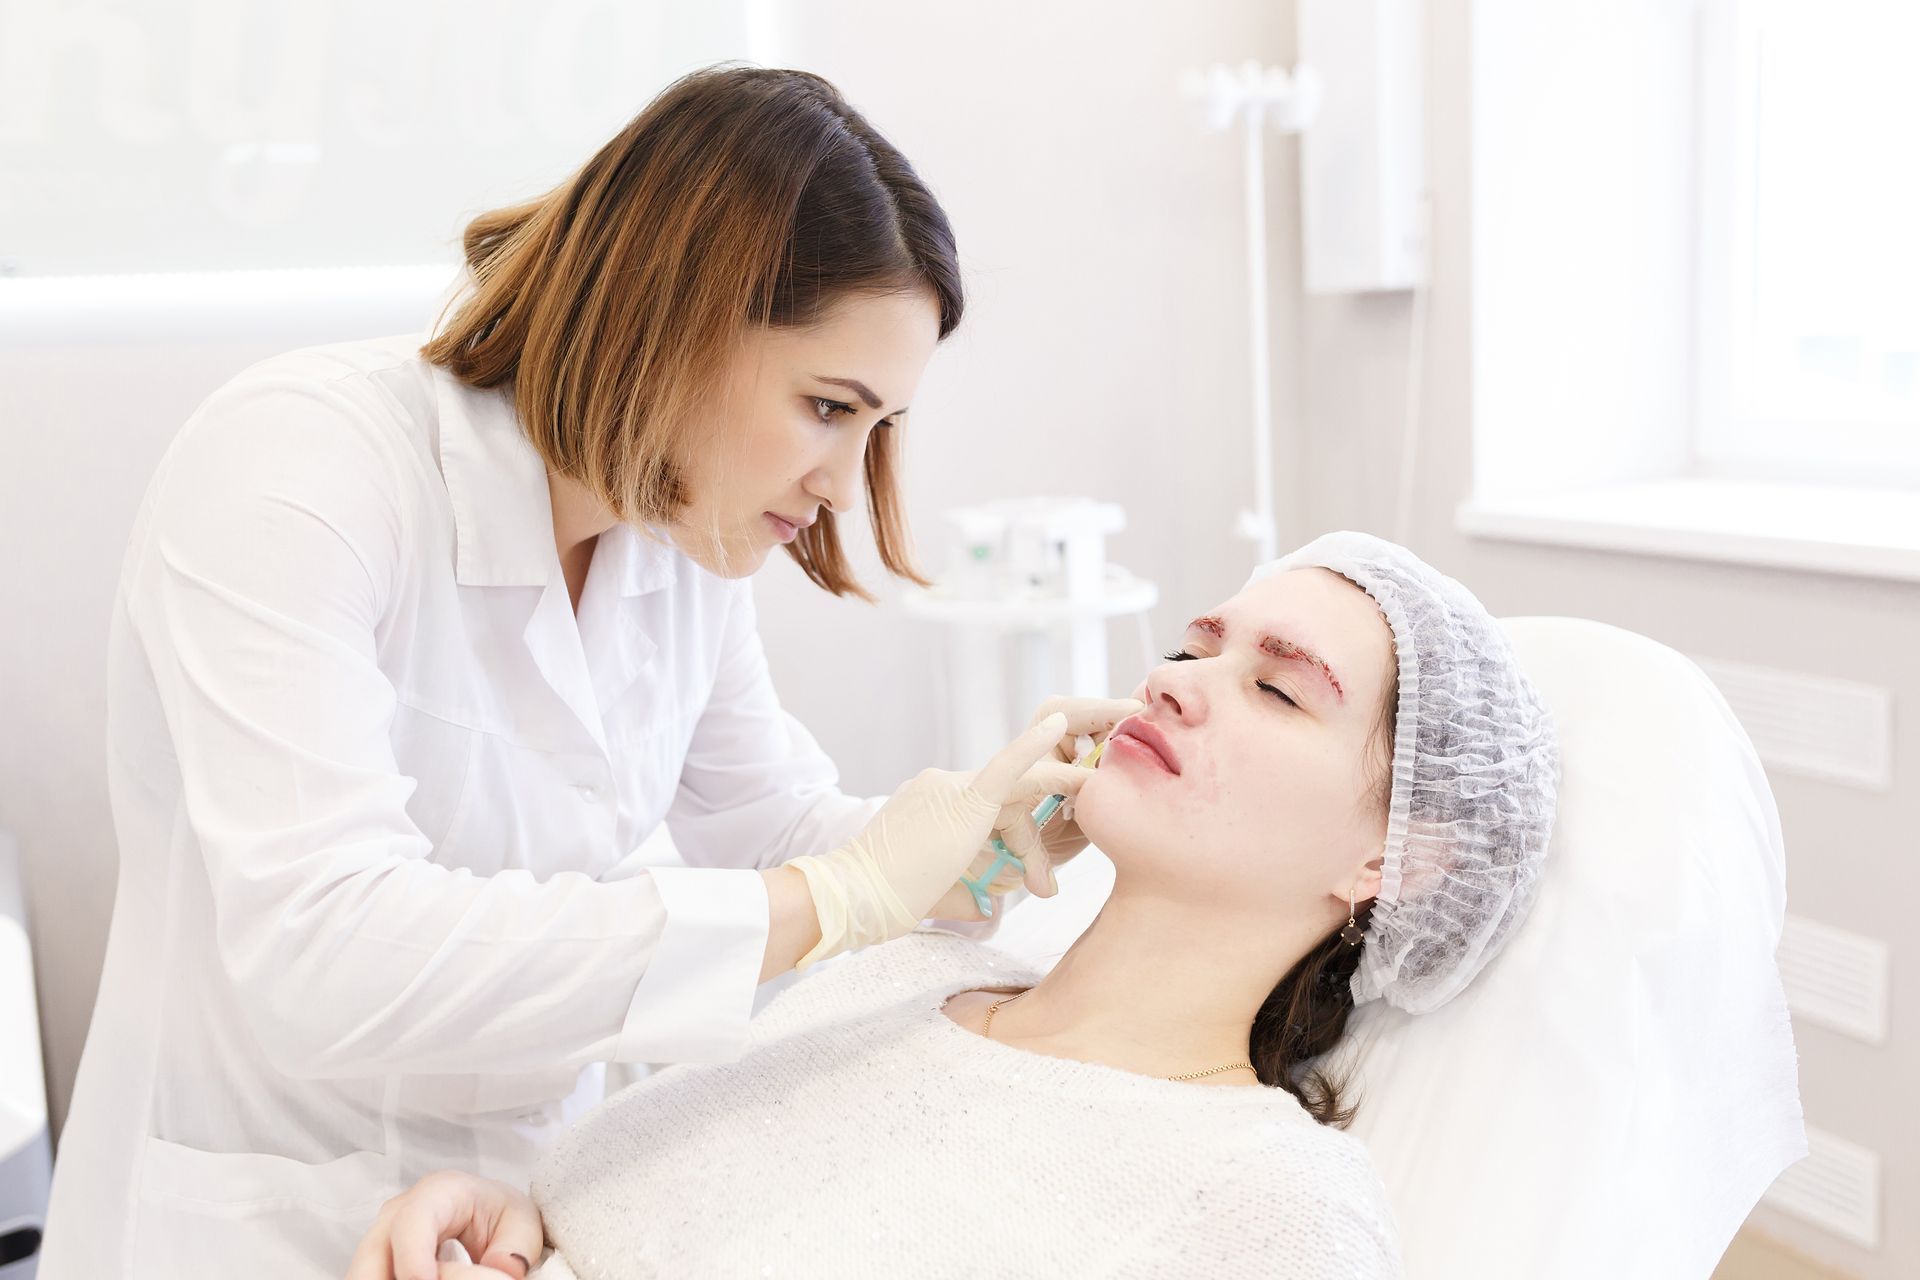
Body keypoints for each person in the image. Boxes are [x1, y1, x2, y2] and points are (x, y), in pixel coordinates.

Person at [39, 64, 1141, 1279]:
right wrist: (849, 893)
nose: (842, 483)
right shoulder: (301, 466)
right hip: (255, 1219)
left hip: (523, 1219)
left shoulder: (675, 541)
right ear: (669, 316)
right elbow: (324, 946)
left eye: (878, 427)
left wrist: (963, 847)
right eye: (828, 405)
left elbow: (768, 824)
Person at [348, 531, 1562, 1279]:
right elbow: (652, 1213)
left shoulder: (1265, 1204)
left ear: (1399, 861)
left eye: (1280, 690)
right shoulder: (904, 974)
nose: (1177, 683)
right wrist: (504, 1217)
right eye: (1197, 648)